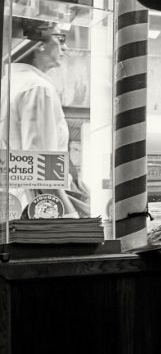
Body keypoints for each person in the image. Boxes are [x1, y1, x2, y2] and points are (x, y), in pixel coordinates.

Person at [2, 18, 88, 218]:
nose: (65, 47)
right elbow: (40, 168)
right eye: (60, 38)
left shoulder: (9, 83)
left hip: (14, 205)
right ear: (39, 45)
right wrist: (70, 218)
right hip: (36, 208)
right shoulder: (38, 88)